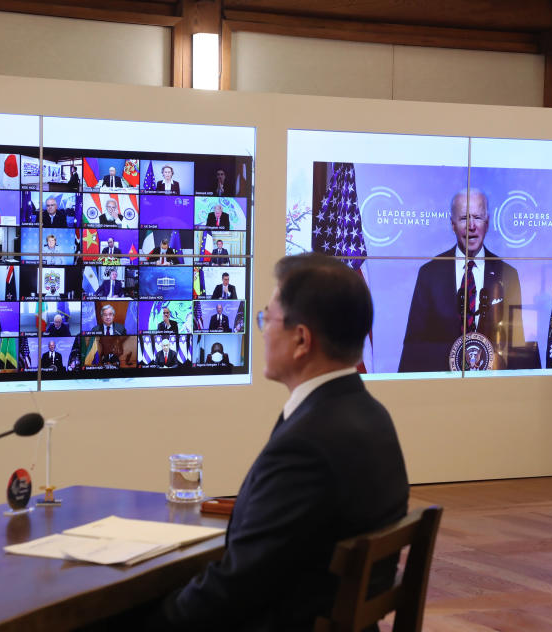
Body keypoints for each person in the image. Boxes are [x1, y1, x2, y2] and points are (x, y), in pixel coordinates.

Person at [148, 252, 409, 630]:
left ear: (301, 339)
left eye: (266, 319)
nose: (263, 330)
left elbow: (237, 589)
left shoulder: (308, 444)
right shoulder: (369, 415)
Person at [399, 187, 539, 372]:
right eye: (464, 218)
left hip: (493, 390)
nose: (471, 225)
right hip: (441, 389)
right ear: (453, 224)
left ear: (487, 223)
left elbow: (518, 343)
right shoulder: (429, 273)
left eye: (478, 217)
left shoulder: (508, 274)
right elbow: (414, 347)